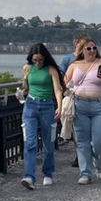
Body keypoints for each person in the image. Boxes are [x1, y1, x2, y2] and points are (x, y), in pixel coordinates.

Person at [64, 37, 101, 184]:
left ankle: (99, 164)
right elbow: (64, 82)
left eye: (94, 48)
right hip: (80, 105)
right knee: (82, 141)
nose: (92, 51)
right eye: (88, 48)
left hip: (100, 106)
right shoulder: (74, 65)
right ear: (82, 50)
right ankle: (85, 173)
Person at [20, 43, 63, 190]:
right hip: (30, 105)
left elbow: (57, 89)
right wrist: (20, 93)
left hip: (47, 106)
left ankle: (48, 173)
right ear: (31, 58)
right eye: (35, 60)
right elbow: (26, 87)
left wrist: (60, 106)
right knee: (30, 142)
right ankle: (29, 176)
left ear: (45, 58)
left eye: (40, 60)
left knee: (48, 142)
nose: (37, 63)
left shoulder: (51, 70)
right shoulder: (27, 68)